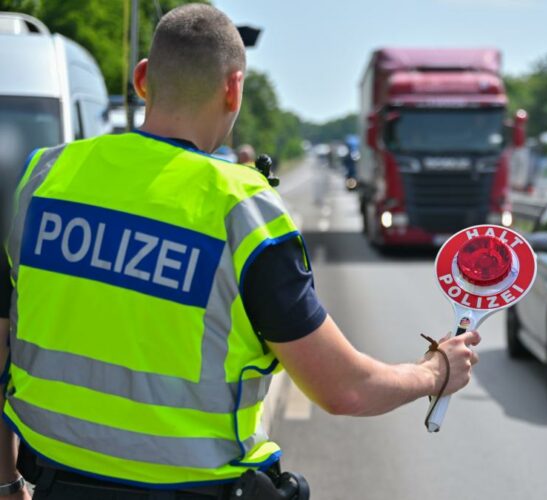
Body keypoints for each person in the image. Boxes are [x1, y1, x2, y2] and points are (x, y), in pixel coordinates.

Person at [0, 4, 480, 499]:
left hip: (55, 484)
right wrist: (435, 372)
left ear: (143, 79)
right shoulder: (243, 211)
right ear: (233, 89)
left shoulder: (44, 177)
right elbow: (344, 389)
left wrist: (5, 479)